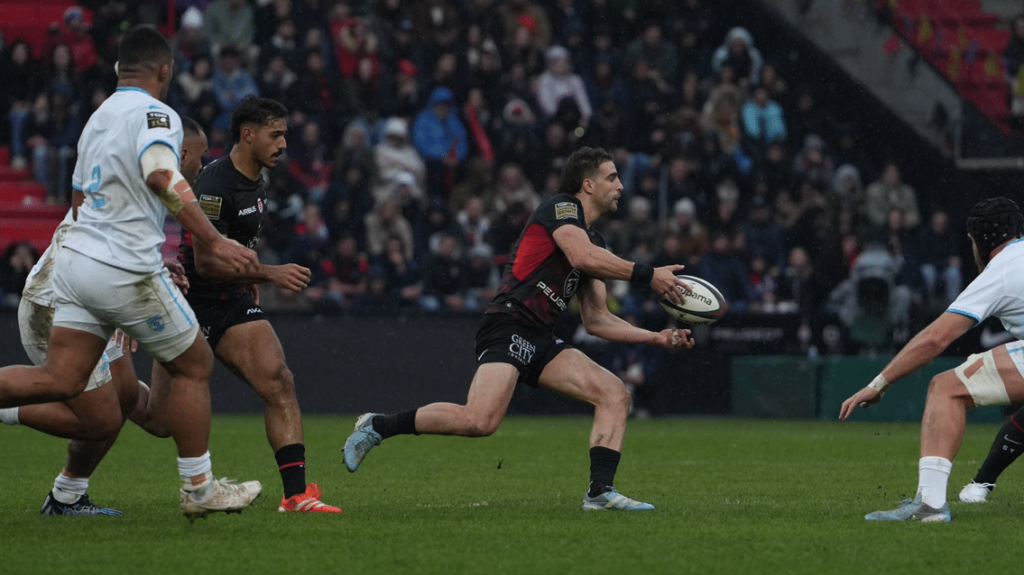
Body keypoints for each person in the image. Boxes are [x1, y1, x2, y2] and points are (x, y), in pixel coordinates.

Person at [0, 26, 262, 521]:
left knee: (64, 379)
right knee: (195, 364)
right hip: (120, 268)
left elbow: (78, 200)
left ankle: (68, 495)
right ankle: (199, 488)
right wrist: (214, 239)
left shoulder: (98, 117)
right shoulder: (157, 115)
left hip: (76, 262)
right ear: (165, 71)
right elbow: (162, 175)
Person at [343, 147, 695, 511]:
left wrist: (656, 337)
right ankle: (378, 426)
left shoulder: (598, 245)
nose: (621, 185)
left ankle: (600, 493)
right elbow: (580, 257)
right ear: (587, 185)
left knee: (614, 393)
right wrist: (650, 275)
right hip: (509, 322)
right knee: (479, 421)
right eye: (612, 177)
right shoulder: (561, 207)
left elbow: (597, 320)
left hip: (540, 336)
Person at [0, 118, 208, 515]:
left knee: (128, 400)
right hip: (58, 301)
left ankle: (66, 497)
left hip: (93, 299)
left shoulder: (143, 189)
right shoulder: (146, 187)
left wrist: (159, 272)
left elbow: (118, 244)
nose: (202, 166)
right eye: (199, 158)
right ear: (180, 155)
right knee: (100, 421)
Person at [147, 95, 341, 514]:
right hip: (192, 304)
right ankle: (108, 399)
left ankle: (295, 496)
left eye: (285, 133)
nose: (284, 143)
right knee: (158, 421)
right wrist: (267, 274)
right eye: (276, 134)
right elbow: (206, 262)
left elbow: (235, 248)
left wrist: (247, 280)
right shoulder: (215, 185)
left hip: (230, 300)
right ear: (248, 135)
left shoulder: (257, 179)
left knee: (279, 381)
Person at [839, 197, 1024, 523]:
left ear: (979, 242)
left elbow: (934, 339)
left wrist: (879, 383)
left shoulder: (1001, 271)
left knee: (945, 388)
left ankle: (931, 504)